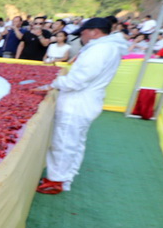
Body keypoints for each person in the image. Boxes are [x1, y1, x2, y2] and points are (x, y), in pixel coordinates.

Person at [35, 18, 127, 194]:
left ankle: (55, 181)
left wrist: (53, 83)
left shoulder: (99, 50)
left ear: (94, 31)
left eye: (83, 33)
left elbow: (78, 80)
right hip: (88, 102)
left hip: (77, 103)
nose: (81, 37)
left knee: (63, 143)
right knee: (75, 143)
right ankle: (65, 177)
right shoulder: (109, 48)